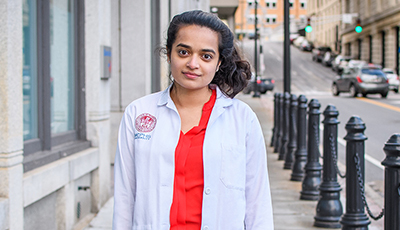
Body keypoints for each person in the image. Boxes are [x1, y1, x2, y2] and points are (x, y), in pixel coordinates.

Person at [113, 10, 274, 230]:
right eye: (183, 52)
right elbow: (124, 197)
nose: (193, 63)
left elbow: (258, 203)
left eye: (206, 56)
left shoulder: (242, 118)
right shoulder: (138, 113)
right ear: (169, 54)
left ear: (218, 63)